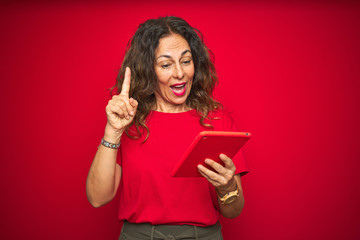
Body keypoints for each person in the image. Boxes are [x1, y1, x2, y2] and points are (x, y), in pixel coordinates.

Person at [86, 16, 249, 240]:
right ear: (148, 70)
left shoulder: (218, 121)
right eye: (165, 64)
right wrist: (112, 131)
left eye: (186, 61)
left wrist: (227, 186)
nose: (179, 74)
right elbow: (97, 198)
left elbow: (233, 212)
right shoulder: (128, 120)